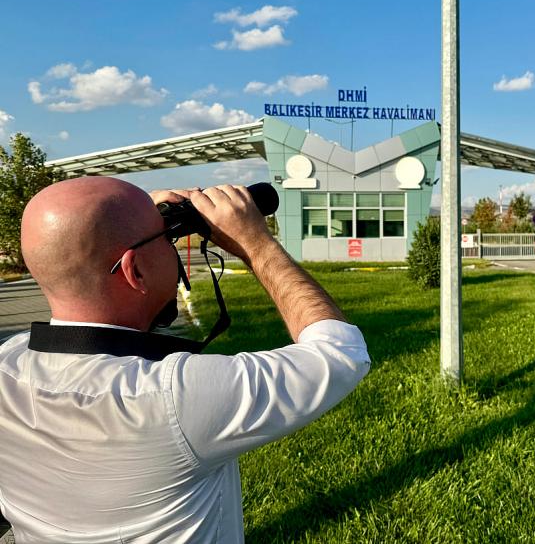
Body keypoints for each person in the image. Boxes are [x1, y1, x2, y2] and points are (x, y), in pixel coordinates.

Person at [0, 176, 370, 543]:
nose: (174, 246)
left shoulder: (8, 365)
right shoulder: (172, 398)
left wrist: (127, 218)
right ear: (135, 271)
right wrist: (256, 245)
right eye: (165, 238)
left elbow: (84, 239)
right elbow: (340, 352)